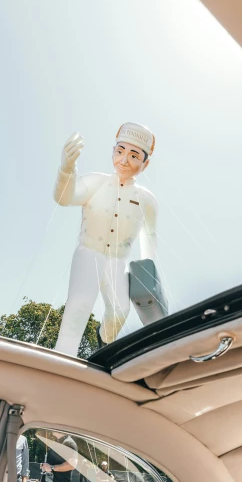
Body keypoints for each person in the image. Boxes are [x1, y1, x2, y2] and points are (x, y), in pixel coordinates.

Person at [53, 122, 159, 356]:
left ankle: (104, 342)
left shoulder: (147, 200)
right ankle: (62, 356)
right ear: (112, 151)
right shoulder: (95, 181)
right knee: (78, 306)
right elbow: (65, 198)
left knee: (120, 311)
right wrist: (67, 170)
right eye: (119, 151)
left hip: (118, 261)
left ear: (145, 162)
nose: (124, 160)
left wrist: (148, 271)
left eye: (133, 155)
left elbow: (149, 237)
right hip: (88, 253)